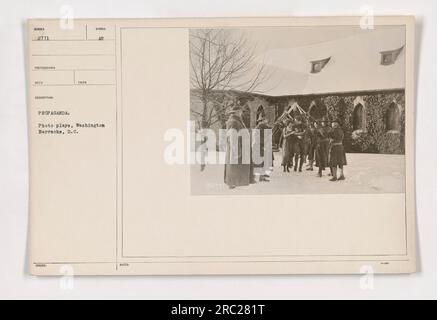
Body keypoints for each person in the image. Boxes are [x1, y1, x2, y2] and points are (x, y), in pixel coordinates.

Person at [224, 104, 251, 189]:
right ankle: (232, 183)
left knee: (235, 165)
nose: (241, 113)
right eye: (240, 111)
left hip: (239, 146)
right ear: (236, 112)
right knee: (233, 165)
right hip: (236, 147)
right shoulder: (234, 122)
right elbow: (233, 136)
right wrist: (237, 150)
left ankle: (235, 182)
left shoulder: (237, 120)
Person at [253, 114, 273, 182]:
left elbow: (269, 129)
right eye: (265, 120)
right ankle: (259, 177)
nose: (267, 121)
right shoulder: (260, 127)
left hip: (260, 146)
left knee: (263, 162)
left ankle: (262, 176)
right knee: (259, 162)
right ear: (262, 120)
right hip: (258, 146)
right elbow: (258, 138)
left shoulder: (261, 127)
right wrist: (265, 140)